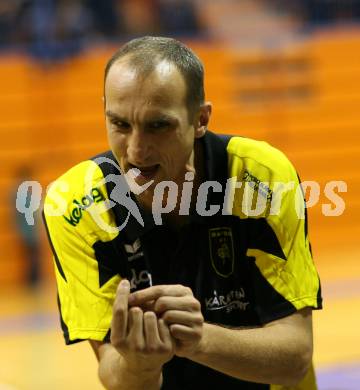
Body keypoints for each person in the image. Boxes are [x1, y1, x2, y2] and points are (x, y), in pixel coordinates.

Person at [43, 36, 322, 389]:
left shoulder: (261, 178)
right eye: (120, 124)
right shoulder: (74, 204)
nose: (136, 150)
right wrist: (140, 365)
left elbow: (295, 358)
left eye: (158, 125)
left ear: (201, 118)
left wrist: (199, 339)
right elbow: (115, 375)